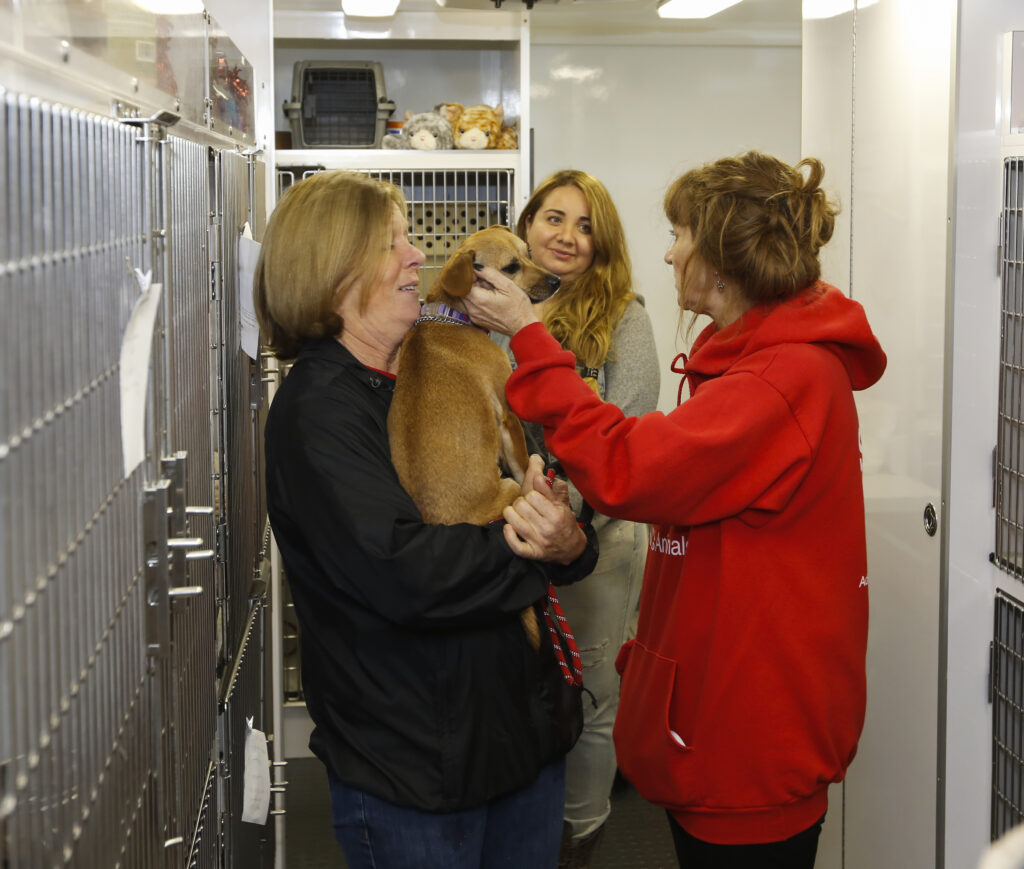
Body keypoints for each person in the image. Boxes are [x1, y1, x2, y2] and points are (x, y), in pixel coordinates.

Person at [463, 151, 887, 868]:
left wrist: (533, 339)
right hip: (723, 723)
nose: (670, 251)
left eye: (682, 234)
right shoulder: (752, 363)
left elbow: (631, 465)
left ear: (721, 259)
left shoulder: (781, 379)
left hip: (749, 739)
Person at [255, 170, 599, 869]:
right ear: (334, 274)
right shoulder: (320, 412)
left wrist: (567, 537)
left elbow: (548, 502)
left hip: (520, 744)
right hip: (419, 775)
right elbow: (410, 573)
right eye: (395, 244)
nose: (420, 257)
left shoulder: (438, 363)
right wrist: (536, 546)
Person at [491, 169, 660, 868]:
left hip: (599, 542)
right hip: (499, 537)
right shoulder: (489, 307)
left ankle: (576, 837)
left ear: (604, 244)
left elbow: (632, 435)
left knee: (588, 701)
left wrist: (567, 522)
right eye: (554, 218)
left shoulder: (626, 315)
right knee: (507, 688)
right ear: (527, 225)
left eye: (586, 226)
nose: (566, 236)